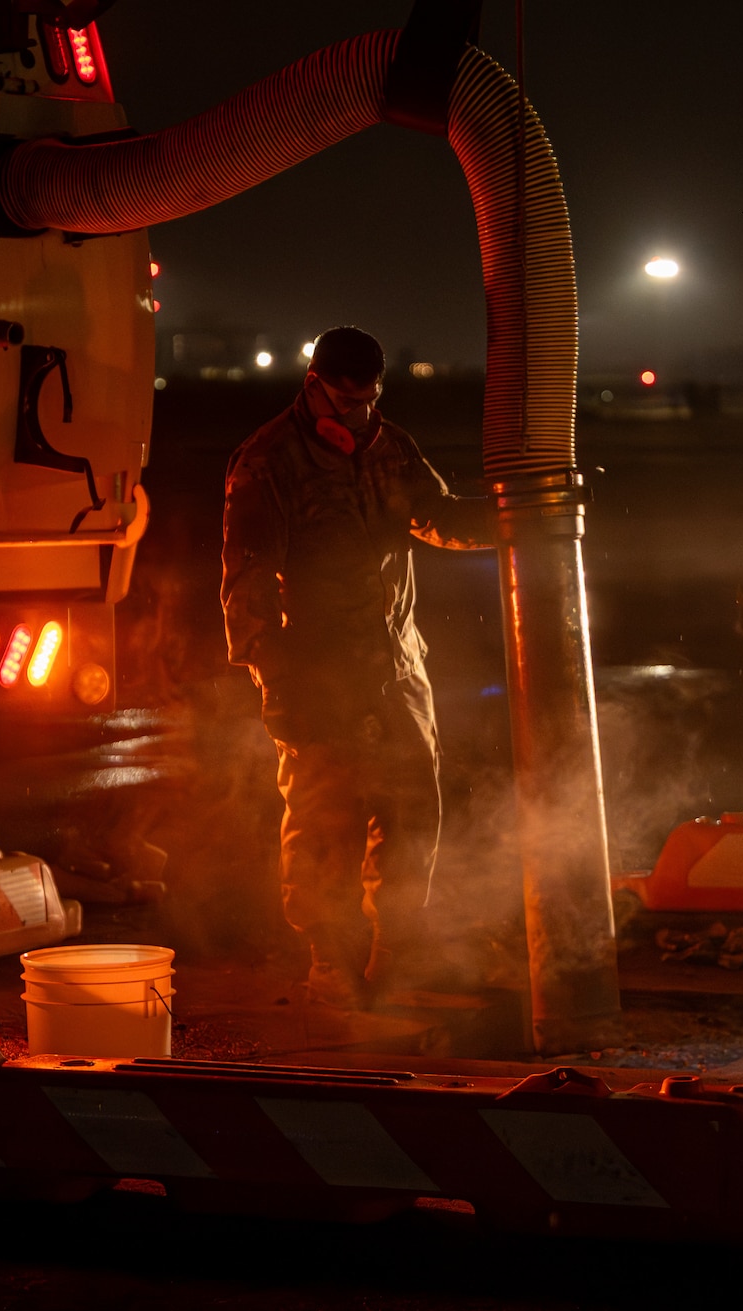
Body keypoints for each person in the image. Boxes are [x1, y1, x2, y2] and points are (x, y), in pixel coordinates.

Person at [220, 327, 494, 1007]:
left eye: (370, 404)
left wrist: (516, 518)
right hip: (316, 672)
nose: (360, 419)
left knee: (411, 808)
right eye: (348, 406)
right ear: (314, 387)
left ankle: (395, 949)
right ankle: (328, 959)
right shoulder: (266, 461)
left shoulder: (390, 445)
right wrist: (275, 679)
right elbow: (245, 585)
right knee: (322, 822)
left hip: (398, 667)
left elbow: (435, 516)